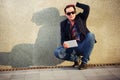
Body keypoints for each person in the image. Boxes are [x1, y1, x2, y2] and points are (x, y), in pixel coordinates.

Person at [54, 2, 96, 70]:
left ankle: (84, 62)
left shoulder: (81, 18)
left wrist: (76, 4)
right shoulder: (63, 24)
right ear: (66, 15)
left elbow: (87, 8)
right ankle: (76, 59)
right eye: (68, 13)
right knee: (57, 52)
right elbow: (63, 37)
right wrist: (64, 43)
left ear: (75, 12)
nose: (71, 14)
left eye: (73, 12)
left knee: (91, 35)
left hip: (83, 44)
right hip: (72, 45)